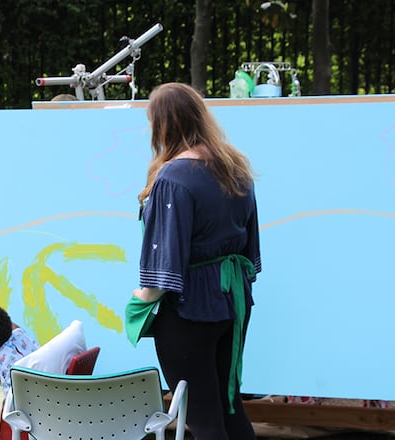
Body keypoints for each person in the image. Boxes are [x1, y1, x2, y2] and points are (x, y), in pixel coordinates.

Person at [128, 83, 261, 439]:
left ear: (162, 124)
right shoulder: (235, 166)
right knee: (230, 409)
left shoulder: (173, 178)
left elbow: (163, 269)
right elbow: (249, 245)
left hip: (189, 308)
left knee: (201, 419)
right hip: (233, 301)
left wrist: (137, 306)